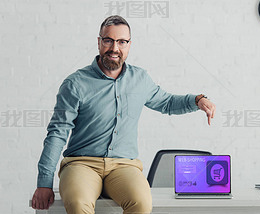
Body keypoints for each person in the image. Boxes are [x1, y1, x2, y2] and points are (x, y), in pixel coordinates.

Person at [31, 15, 216, 214]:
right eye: (108, 40)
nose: (114, 48)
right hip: (81, 164)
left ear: (129, 44)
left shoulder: (141, 79)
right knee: (78, 204)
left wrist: (198, 99)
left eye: (122, 41)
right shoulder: (75, 84)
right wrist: (44, 182)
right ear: (99, 42)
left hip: (124, 165)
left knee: (141, 203)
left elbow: (168, 102)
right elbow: (57, 134)